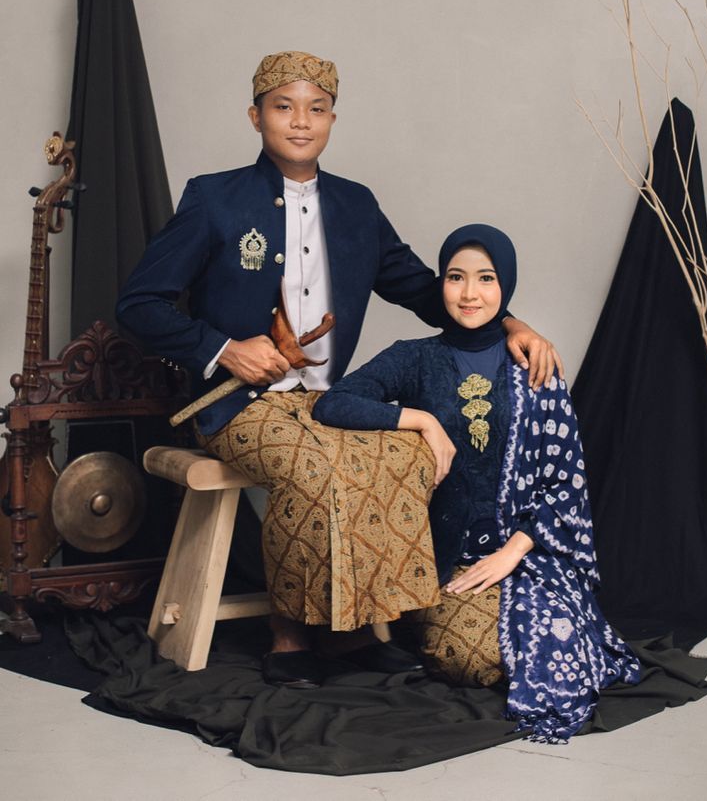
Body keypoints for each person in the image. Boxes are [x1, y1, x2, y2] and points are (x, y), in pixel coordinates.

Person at [116, 52, 562, 688]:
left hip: (331, 398)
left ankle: (362, 628)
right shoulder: (213, 199)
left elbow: (422, 288)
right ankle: (291, 633)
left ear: (332, 119)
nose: (301, 122)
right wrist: (223, 348)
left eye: (316, 109)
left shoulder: (356, 205)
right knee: (316, 465)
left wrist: (510, 321)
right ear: (255, 115)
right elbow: (139, 304)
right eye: (283, 107)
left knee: (397, 457)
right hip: (237, 404)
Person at [313, 224, 641, 742]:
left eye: (486, 279)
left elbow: (565, 481)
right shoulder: (416, 357)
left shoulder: (533, 364)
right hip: (449, 560)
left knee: (554, 638)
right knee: (472, 658)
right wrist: (419, 419)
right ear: (440, 284)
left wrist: (513, 552)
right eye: (455, 277)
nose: (469, 294)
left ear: (505, 287)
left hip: (529, 554)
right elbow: (332, 403)